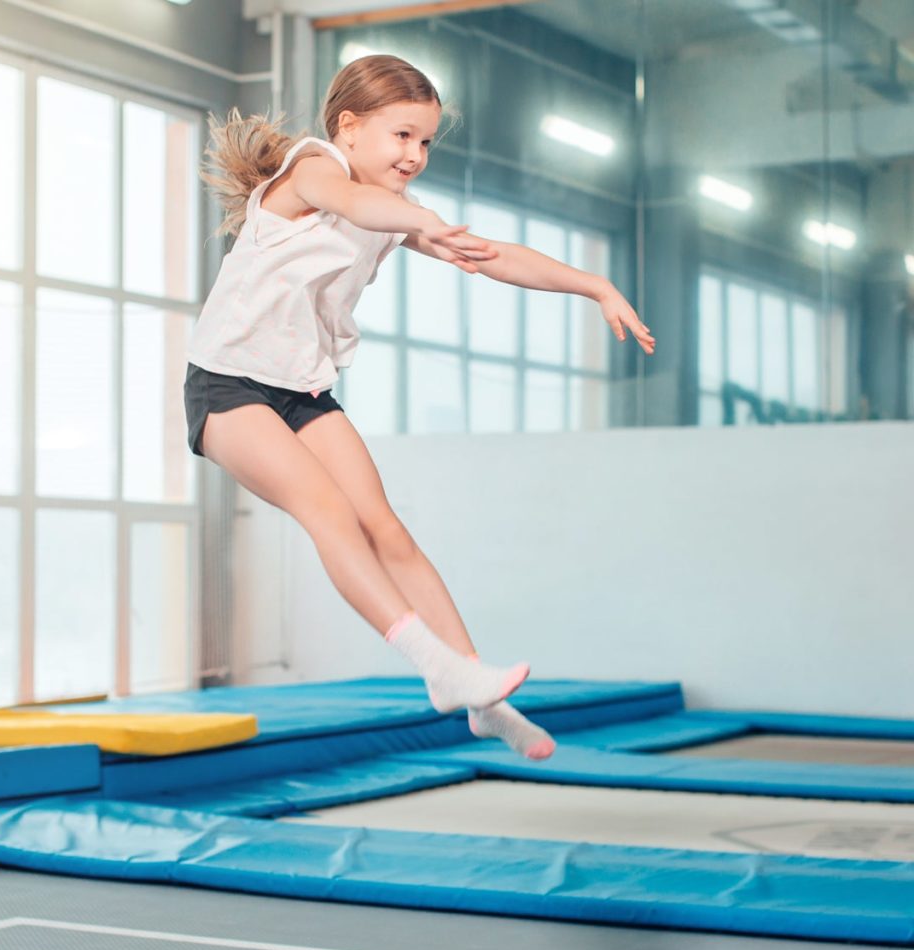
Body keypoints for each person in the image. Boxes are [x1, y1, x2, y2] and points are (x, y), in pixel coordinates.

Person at [185, 54, 655, 761]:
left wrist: (593, 285)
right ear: (348, 127)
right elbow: (357, 205)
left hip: (302, 390)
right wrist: (422, 221)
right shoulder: (314, 170)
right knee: (330, 512)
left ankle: (482, 699)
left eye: (426, 142)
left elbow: (494, 255)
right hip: (227, 384)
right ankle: (437, 668)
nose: (415, 154)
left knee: (387, 529)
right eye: (402, 135)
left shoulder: (390, 212)